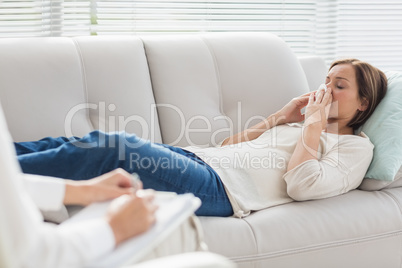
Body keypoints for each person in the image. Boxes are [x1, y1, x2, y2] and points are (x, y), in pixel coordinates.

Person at [14, 58, 387, 218]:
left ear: (363, 102)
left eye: (339, 86)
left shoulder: (356, 148)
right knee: (92, 142)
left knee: (115, 147)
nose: (325, 91)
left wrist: (313, 126)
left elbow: (304, 185)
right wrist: (280, 117)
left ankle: (8, 183)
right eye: (326, 82)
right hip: (202, 161)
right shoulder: (299, 126)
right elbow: (226, 148)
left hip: (221, 190)